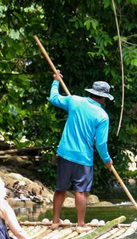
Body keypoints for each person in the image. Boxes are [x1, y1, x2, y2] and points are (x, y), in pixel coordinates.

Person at [49, 70, 114, 230]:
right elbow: (100, 144)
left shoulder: (74, 101)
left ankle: (55, 221)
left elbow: (54, 98)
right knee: (81, 191)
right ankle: (80, 224)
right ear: (104, 97)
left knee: (60, 189)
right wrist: (107, 160)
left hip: (65, 153)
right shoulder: (102, 116)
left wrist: (56, 81)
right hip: (83, 157)